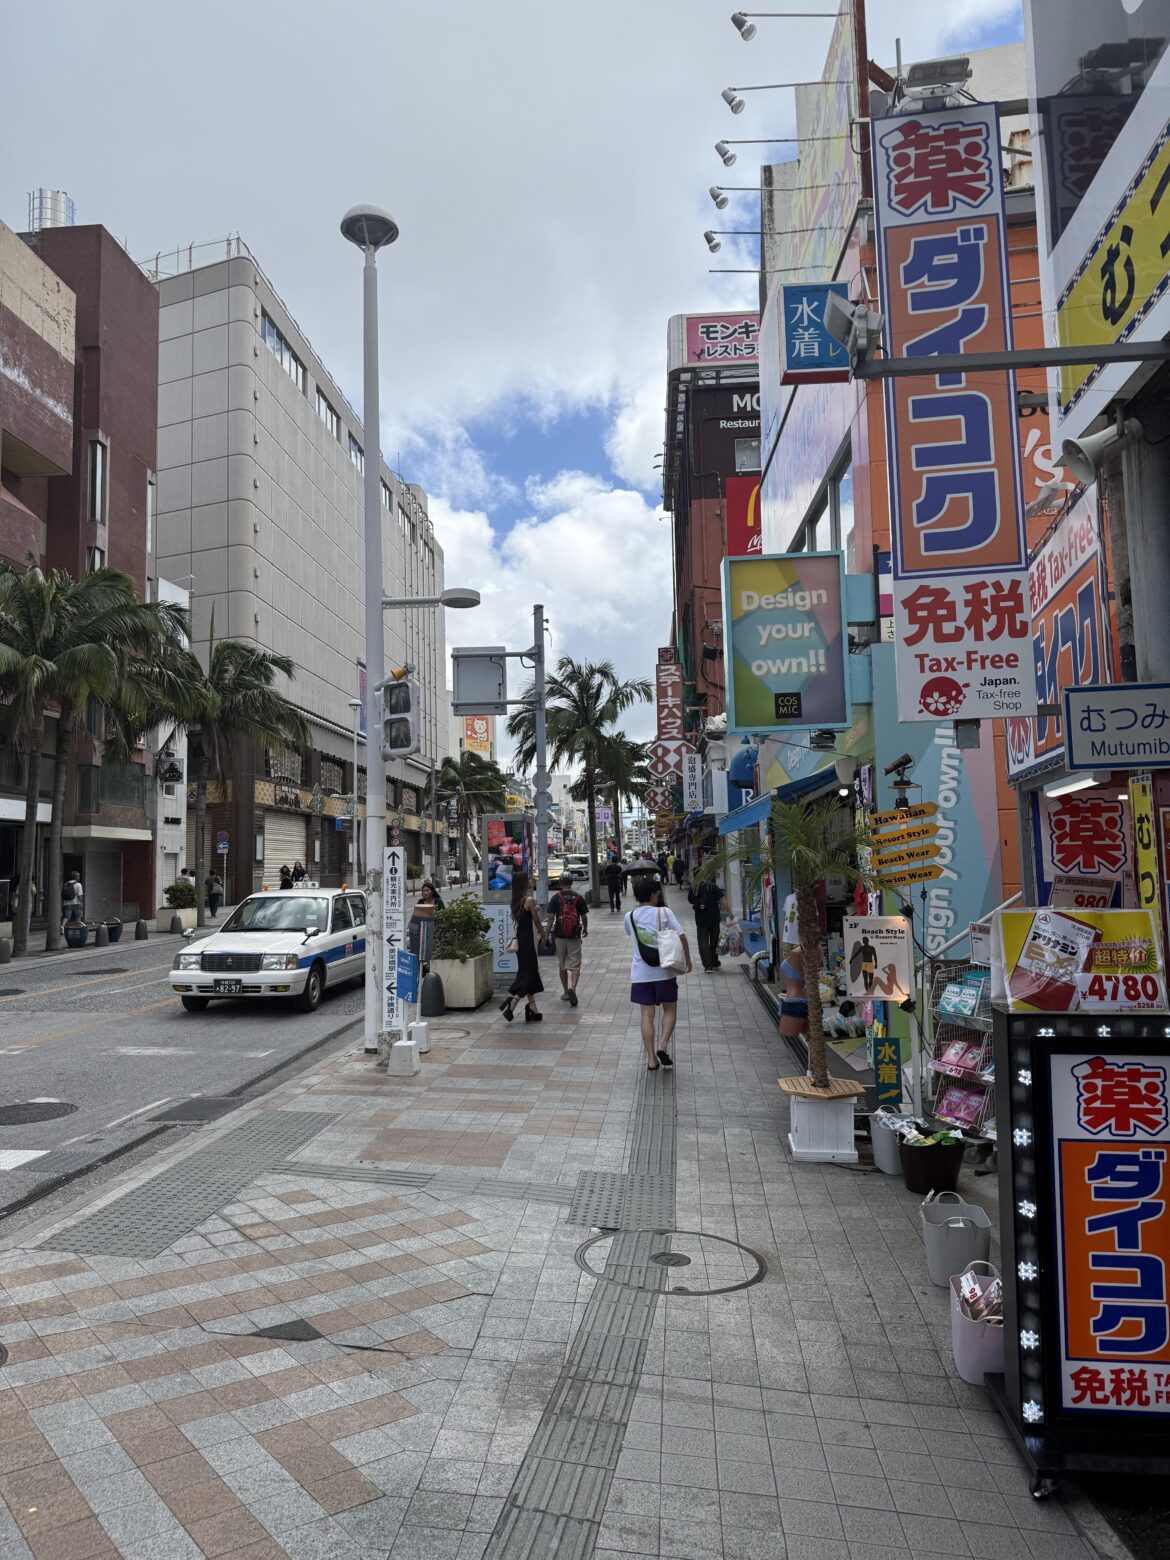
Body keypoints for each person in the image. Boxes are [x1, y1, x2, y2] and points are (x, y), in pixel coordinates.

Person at [626, 875, 691, 1070]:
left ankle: (651, 1059)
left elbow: (632, 935)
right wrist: (687, 960)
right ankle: (662, 1045)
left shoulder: (629, 917)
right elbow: (682, 937)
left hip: (641, 974)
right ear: (654, 895)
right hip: (665, 972)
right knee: (670, 1009)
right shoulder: (664, 912)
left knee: (647, 1015)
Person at [500, 871, 546, 1023]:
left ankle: (533, 1007)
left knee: (528, 971)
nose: (531, 881)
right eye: (528, 879)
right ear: (523, 883)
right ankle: (513, 1001)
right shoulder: (530, 900)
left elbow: (524, 917)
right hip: (527, 940)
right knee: (529, 972)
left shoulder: (516, 901)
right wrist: (544, 935)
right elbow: (537, 921)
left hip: (521, 939)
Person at [547, 871, 588, 1007]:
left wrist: (546, 933)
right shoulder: (578, 897)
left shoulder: (555, 898)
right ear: (571, 882)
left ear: (560, 883)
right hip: (574, 935)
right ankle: (573, 989)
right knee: (575, 964)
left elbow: (551, 918)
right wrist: (585, 929)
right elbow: (583, 917)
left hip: (559, 935)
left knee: (562, 964)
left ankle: (565, 992)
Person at [688, 874, 735, 972]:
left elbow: (690, 900)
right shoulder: (713, 886)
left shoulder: (694, 886)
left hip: (701, 919)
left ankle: (707, 966)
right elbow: (722, 900)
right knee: (714, 941)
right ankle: (714, 961)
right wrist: (730, 913)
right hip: (714, 918)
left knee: (703, 942)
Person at [779, 942, 809, 1049]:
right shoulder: (799, 951)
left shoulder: (799, 952)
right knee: (813, 1043)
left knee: (787, 1043)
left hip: (795, 1002)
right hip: (796, 1000)